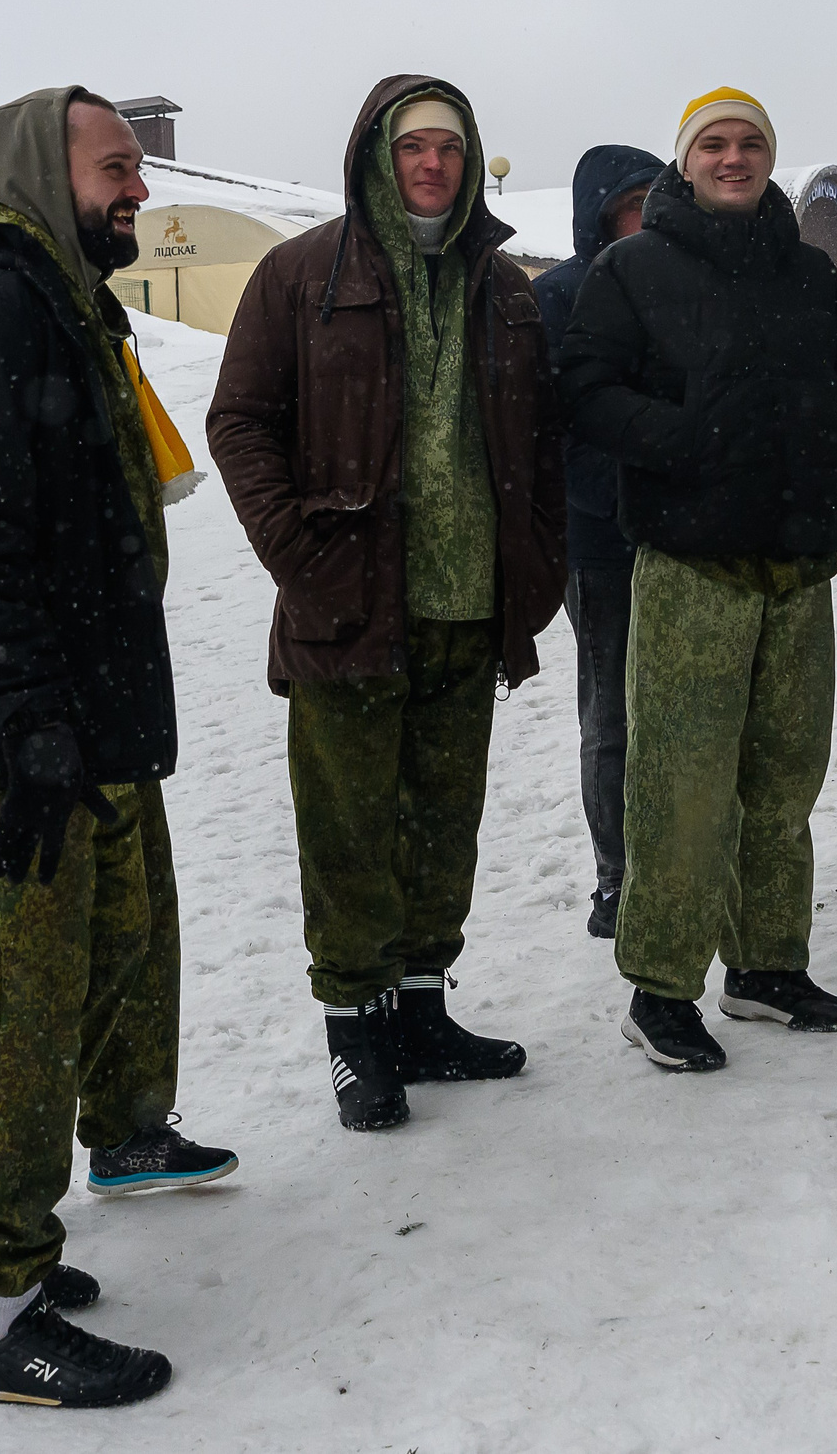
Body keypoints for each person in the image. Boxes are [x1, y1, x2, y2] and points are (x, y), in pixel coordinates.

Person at [0, 87, 223, 1407]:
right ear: (41, 171)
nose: (137, 187)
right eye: (116, 166)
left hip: (44, 722)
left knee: (37, 988)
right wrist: (28, 727)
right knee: (0, 1011)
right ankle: (0, 1327)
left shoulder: (61, 294)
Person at [207, 76, 566, 1133]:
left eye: (450, 147)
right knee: (349, 832)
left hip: (467, 608)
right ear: (376, 154)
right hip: (347, 611)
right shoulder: (299, 274)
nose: (432, 164)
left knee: (441, 826)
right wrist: (296, 553)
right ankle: (355, 1032)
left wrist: (532, 569)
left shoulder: (502, 289)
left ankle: (421, 1012)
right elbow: (240, 423)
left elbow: (543, 445)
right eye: (412, 146)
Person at [559, 87, 837, 1073]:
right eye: (713, 144)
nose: (732, 158)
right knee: (680, 788)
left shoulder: (813, 276)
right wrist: (686, 441)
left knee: (782, 778)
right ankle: (659, 989)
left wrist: (830, 448)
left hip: (796, 558)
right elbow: (583, 391)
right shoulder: (631, 270)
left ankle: (766, 966)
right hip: (691, 563)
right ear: (683, 162)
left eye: (749, 144)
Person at [535, 144, 665, 939]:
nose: (649, 216)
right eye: (635, 202)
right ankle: (616, 875)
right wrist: (631, 501)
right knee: (612, 710)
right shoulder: (558, 295)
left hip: (684, 537)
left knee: (684, 711)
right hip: (600, 545)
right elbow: (556, 431)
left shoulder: (678, 279)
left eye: (659, 199)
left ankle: (681, 860)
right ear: (600, 211)